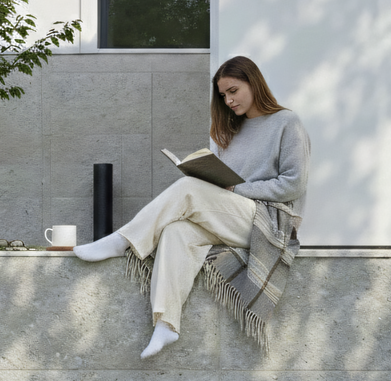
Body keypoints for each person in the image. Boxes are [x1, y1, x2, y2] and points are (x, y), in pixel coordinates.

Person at [72, 55, 310, 358]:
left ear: (253, 83)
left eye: (233, 91)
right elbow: (225, 186)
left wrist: (237, 188)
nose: (228, 100)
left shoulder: (287, 123)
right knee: (176, 231)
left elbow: (294, 183)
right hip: (234, 216)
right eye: (223, 95)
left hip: (269, 221)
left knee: (187, 190)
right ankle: (167, 324)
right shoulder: (233, 133)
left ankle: (123, 241)